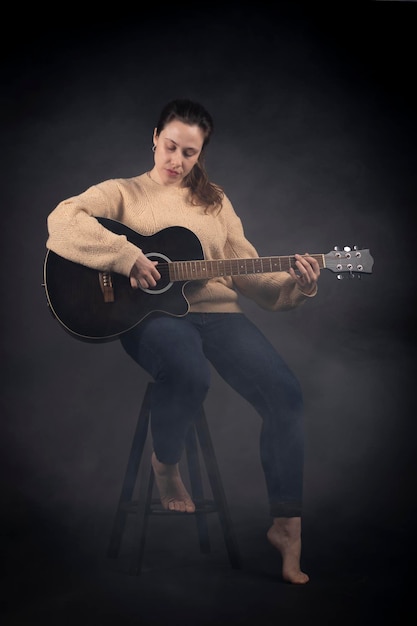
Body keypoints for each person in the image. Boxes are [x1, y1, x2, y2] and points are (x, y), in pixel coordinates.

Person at [46, 98, 320, 584]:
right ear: (154, 137)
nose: (176, 160)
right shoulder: (122, 193)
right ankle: (166, 463)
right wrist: (126, 256)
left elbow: (252, 275)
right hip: (152, 319)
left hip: (218, 317)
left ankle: (286, 528)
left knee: (287, 396)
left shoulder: (215, 201)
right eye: (170, 147)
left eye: (189, 153)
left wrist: (297, 285)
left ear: (201, 154)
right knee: (189, 371)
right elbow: (62, 222)